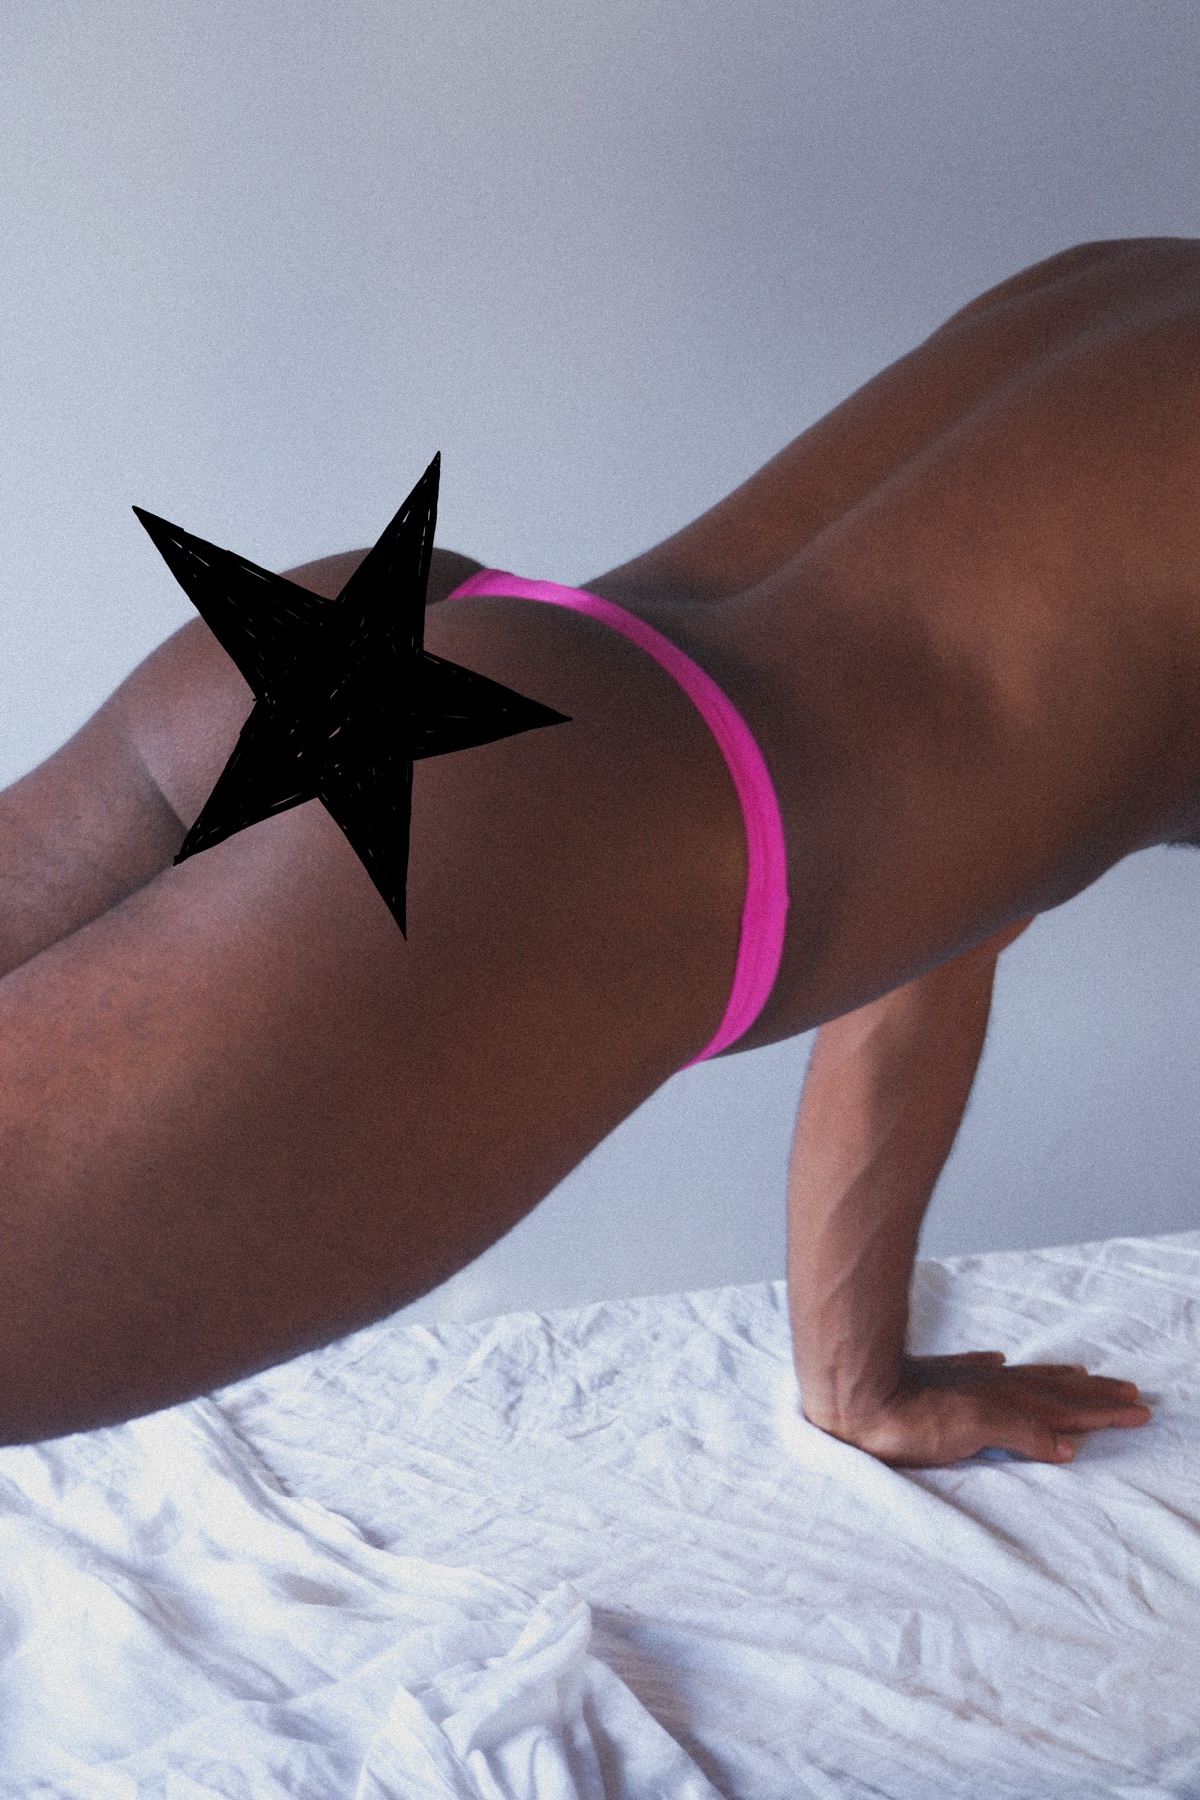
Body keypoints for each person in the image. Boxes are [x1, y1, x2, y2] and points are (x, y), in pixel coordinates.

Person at [2, 238, 1189, 1462]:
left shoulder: (1125, 280)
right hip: (540, 833)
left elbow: (959, 891)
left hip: (412, 644)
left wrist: (856, 1383)